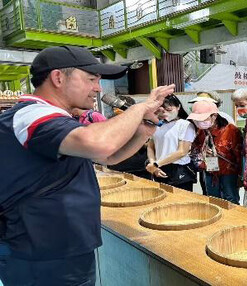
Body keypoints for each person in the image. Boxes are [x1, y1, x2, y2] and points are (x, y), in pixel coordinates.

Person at [0, 45, 174, 285]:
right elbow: (99, 144)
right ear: (58, 77)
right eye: (91, 79)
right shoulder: (31, 115)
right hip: (41, 256)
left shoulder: (58, 119)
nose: (98, 88)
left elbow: (108, 157)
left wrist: (143, 131)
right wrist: (140, 107)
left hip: (59, 250)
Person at [189, 100, 243, 204]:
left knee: (230, 199)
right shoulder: (201, 131)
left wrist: (241, 175)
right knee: (213, 200)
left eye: (203, 119)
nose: (199, 122)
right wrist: (201, 159)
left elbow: (240, 155)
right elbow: (194, 150)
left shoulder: (231, 130)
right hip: (210, 171)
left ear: (214, 116)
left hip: (229, 172)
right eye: (197, 120)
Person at [146, 94, 197, 191]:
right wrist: (153, 164)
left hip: (179, 169)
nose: (165, 113)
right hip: (159, 168)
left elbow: (182, 151)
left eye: (169, 109)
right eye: (161, 110)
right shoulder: (157, 125)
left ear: (178, 107)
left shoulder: (185, 125)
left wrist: (156, 164)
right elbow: (150, 146)